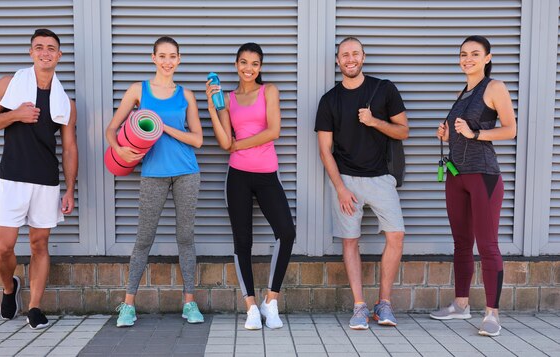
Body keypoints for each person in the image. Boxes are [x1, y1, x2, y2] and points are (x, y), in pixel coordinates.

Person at [0, 29, 78, 329]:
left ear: (59, 56)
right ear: (31, 52)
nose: (45, 52)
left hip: (46, 180)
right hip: (12, 177)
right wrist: (14, 115)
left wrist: (70, 188)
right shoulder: (10, 85)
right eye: (39, 47)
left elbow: (70, 148)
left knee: (39, 244)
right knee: (4, 247)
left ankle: (35, 307)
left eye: (51, 48)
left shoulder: (65, 103)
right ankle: (10, 288)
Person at [107, 36, 204, 327]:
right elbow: (112, 128)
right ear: (153, 58)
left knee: (185, 238)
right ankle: (128, 306)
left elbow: (197, 140)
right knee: (143, 239)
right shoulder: (139, 90)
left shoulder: (185, 95)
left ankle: (189, 303)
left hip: (186, 171)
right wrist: (118, 149)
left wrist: (167, 129)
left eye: (172, 56)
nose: (167, 61)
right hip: (152, 173)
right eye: (162, 56)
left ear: (179, 59)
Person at [315, 37, 409, 330]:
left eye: (355, 53)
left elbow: (403, 131)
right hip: (346, 181)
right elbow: (324, 150)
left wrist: (375, 122)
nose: (350, 59)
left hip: (381, 177)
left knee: (396, 235)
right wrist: (341, 188)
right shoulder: (329, 100)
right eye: (345, 55)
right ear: (338, 61)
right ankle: (359, 306)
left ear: (363, 57)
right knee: (350, 240)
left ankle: (384, 304)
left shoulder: (384, 89)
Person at [431, 36, 517, 337]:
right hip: (456, 176)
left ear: (487, 58)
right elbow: (463, 132)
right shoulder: (463, 91)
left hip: (483, 176)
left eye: (475, 54)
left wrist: (474, 133)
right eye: (463, 54)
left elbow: (510, 129)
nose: (468, 59)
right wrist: (447, 135)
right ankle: (461, 304)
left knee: (488, 245)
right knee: (461, 242)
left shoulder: (494, 88)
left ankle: (492, 314)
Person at [206, 43, 295, 330]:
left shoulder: (269, 91)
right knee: (242, 242)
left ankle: (271, 301)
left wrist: (238, 144)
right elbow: (223, 142)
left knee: (286, 232)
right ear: (236, 64)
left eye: (254, 63)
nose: (248, 68)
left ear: (260, 67)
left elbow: (274, 131)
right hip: (238, 177)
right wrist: (211, 106)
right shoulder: (227, 99)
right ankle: (251, 307)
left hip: (267, 174)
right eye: (243, 62)